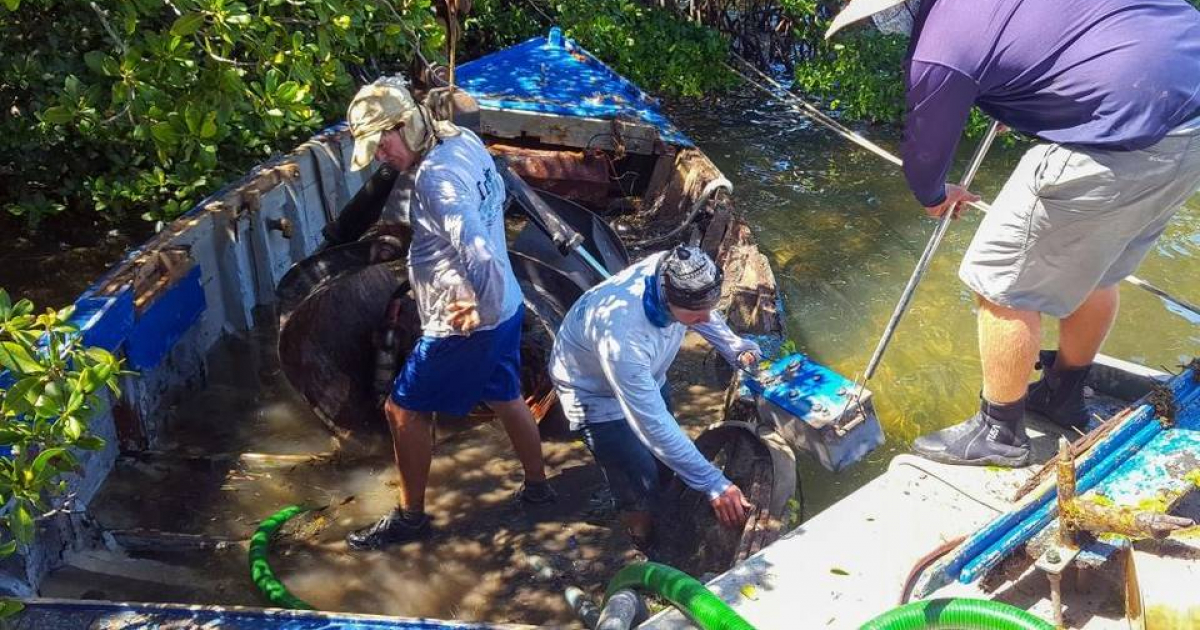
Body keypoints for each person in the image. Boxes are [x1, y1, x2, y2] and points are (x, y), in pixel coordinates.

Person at [826, 0, 1200, 467]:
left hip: (1126, 127)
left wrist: (934, 195)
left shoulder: (941, 42)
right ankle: (1062, 395)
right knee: (1098, 269)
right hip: (1189, 120)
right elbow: (1059, 43)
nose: (885, 23)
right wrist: (1020, 99)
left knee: (1000, 279)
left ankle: (998, 431)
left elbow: (925, 148)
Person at [342, 77, 554, 549]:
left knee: (403, 408)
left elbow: (476, 248)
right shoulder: (462, 138)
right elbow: (495, 196)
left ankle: (410, 518)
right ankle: (539, 488)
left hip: (465, 323)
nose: (379, 156)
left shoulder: (437, 180)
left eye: (382, 143)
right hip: (508, 307)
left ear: (406, 125)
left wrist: (472, 301)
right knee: (504, 393)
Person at [549, 246, 762, 548]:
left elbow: (705, 312)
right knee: (638, 479)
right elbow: (652, 424)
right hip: (593, 394)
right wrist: (714, 483)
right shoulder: (623, 336)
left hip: (646, 375)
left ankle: (664, 508)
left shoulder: (677, 270)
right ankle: (643, 542)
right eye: (695, 314)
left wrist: (735, 348)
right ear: (668, 298)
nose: (704, 319)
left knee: (662, 467)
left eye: (708, 307)